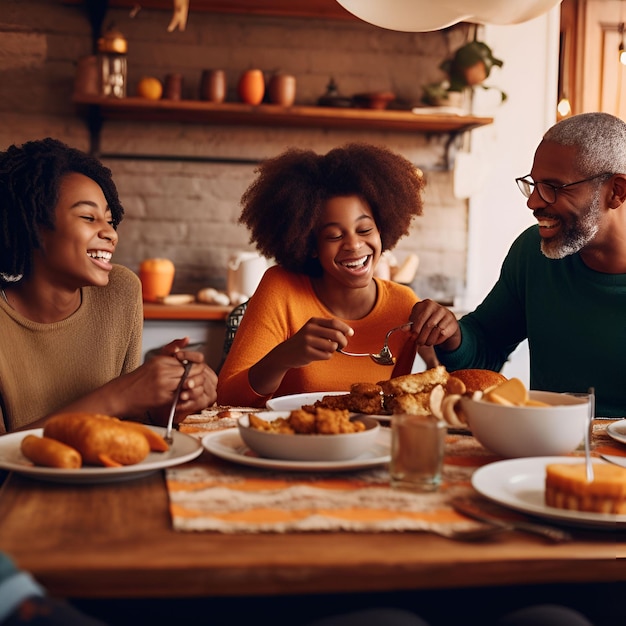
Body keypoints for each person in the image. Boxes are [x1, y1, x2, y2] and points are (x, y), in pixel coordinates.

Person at [408, 111, 626, 417]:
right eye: (534, 185)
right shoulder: (533, 253)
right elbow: (486, 347)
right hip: (546, 450)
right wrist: (452, 335)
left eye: (553, 187)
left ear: (616, 191)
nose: (533, 202)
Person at [0, 138, 217, 433]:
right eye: (89, 217)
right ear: (33, 226)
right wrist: (120, 394)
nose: (111, 234)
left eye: (110, 220)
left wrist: (165, 405)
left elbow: (126, 425)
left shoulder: (120, 291)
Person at [217, 142, 438, 407]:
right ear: (311, 246)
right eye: (334, 235)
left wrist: (438, 352)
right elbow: (227, 397)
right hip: (291, 442)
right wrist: (283, 357)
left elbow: (394, 407)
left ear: (382, 230)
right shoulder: (281, 289)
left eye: (365, 230)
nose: (354, 245)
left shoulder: (403, 304)